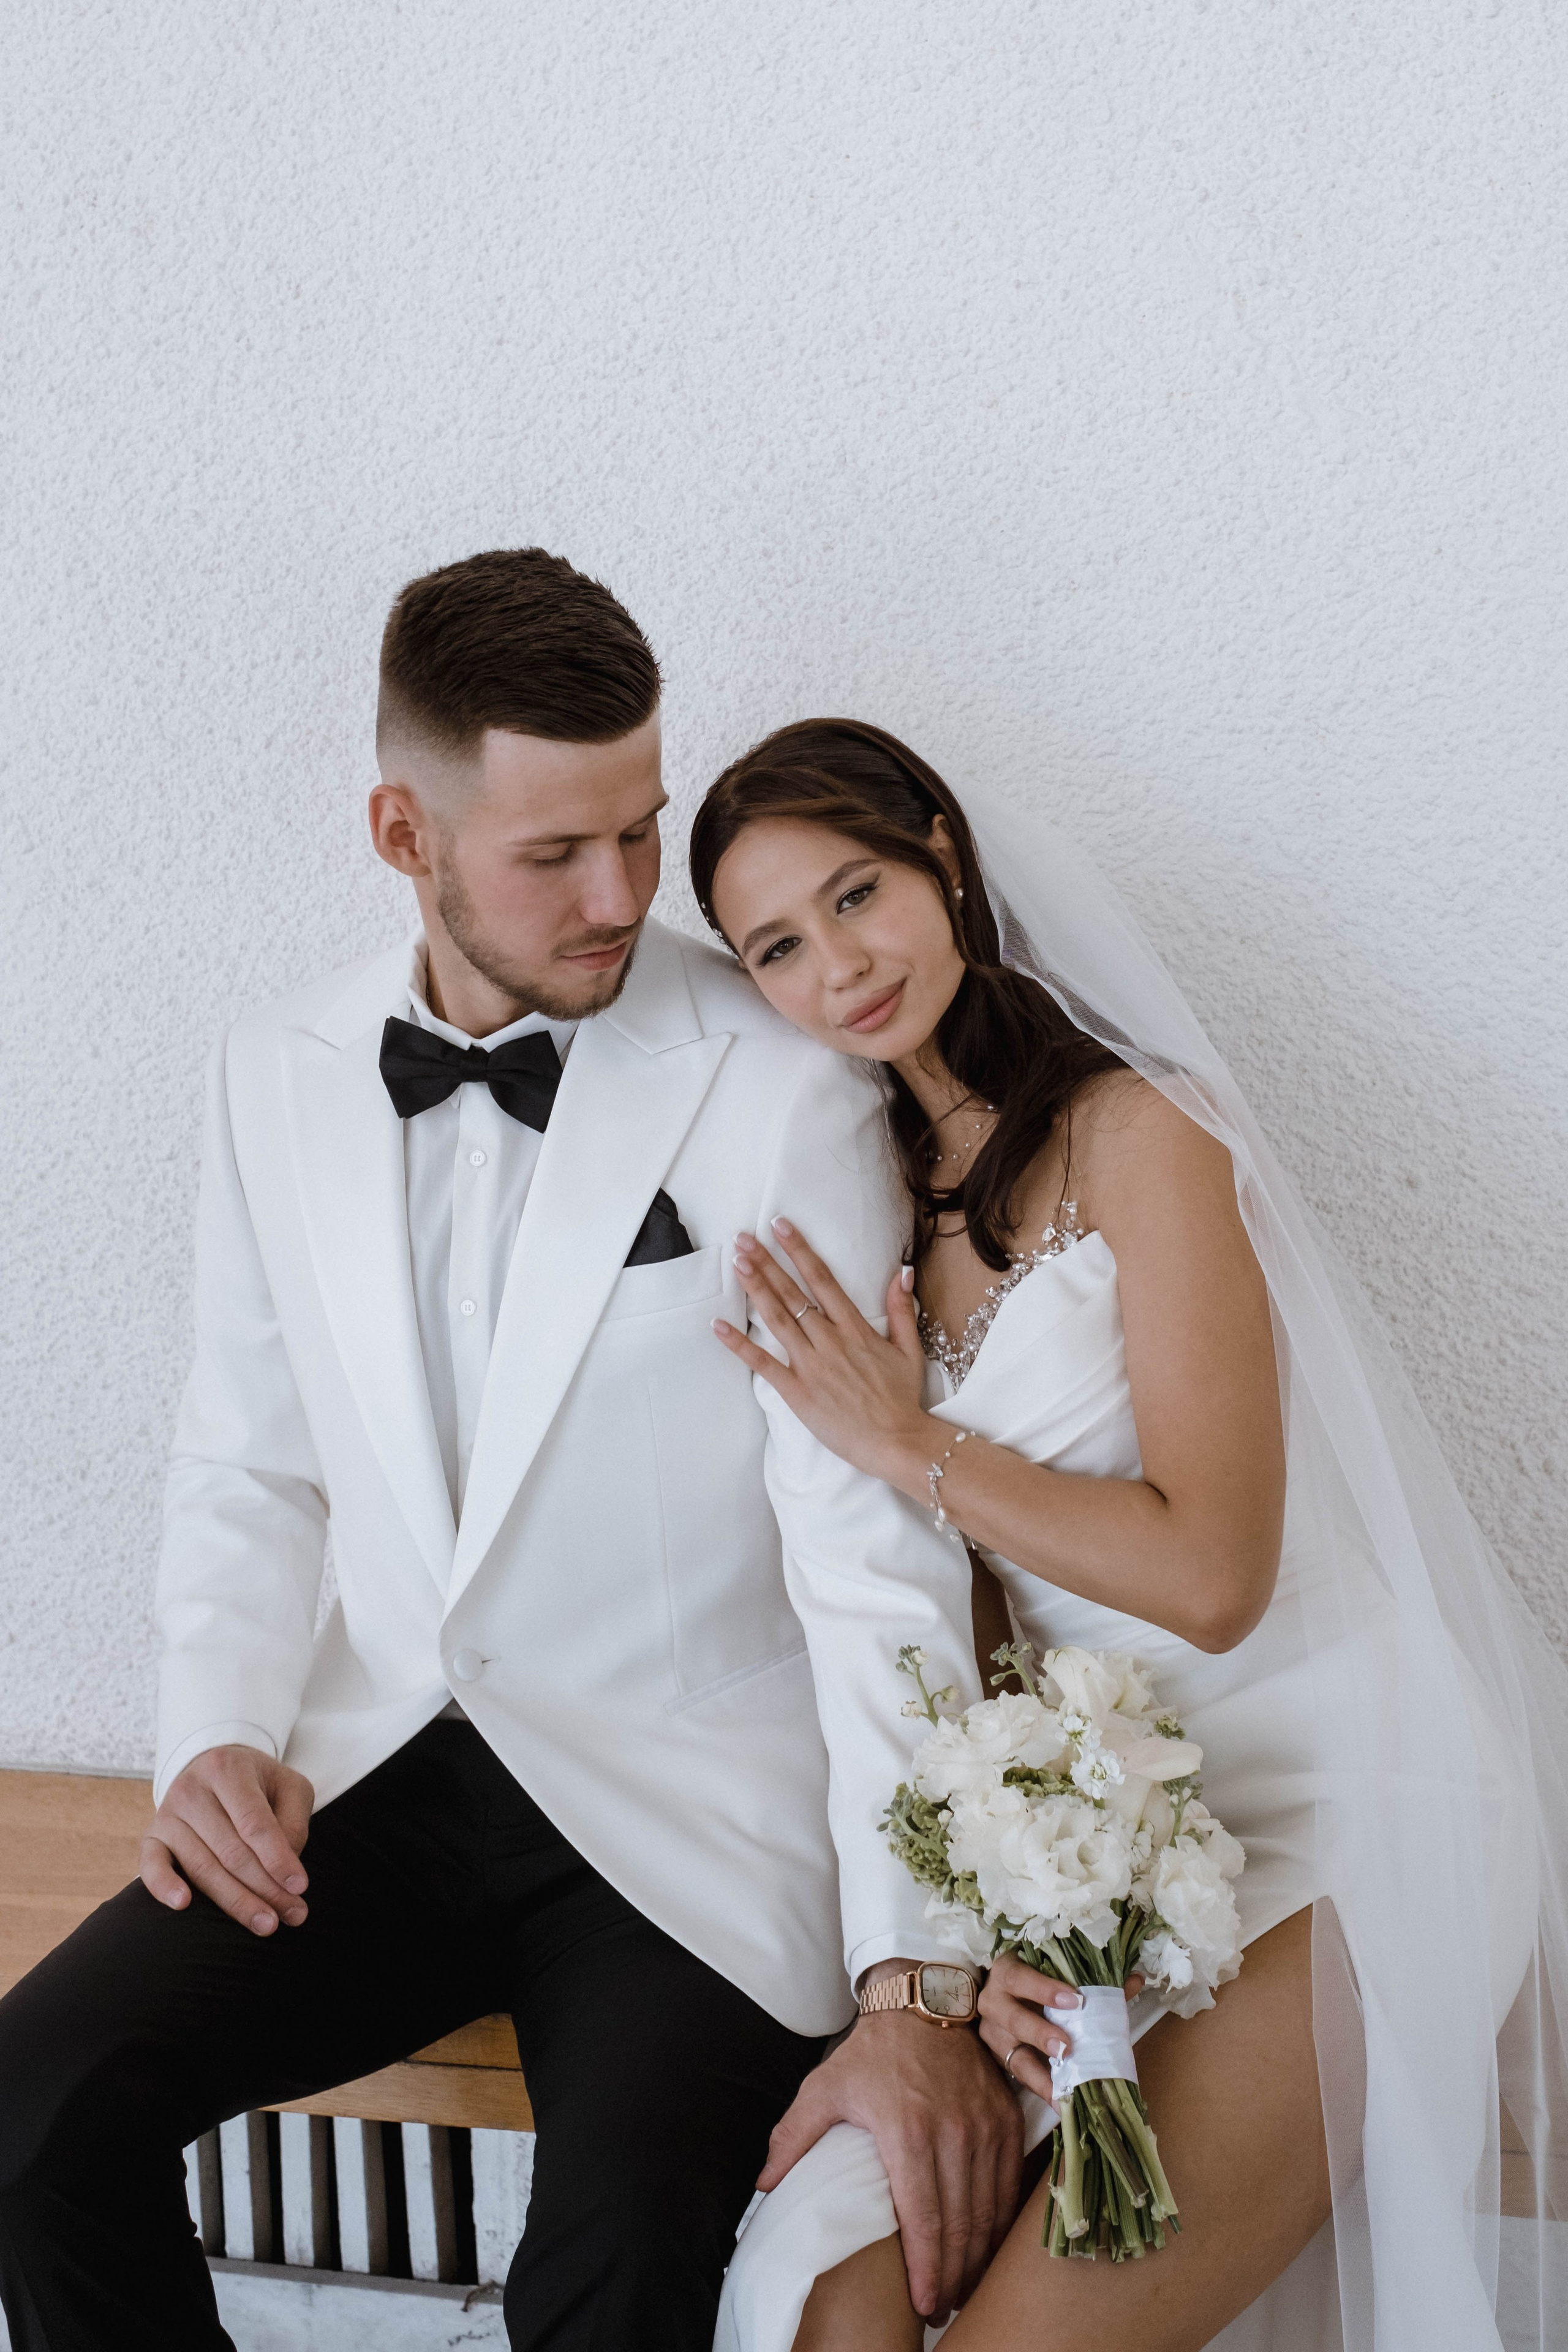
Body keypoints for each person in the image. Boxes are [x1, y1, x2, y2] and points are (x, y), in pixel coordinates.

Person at [0, 559, 1016, 2352]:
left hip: (686, 1819)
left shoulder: (778, 1076)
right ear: (405, 831)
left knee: (611, 2280)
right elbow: (248, 1456)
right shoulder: (273, 1068)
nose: (622, 896)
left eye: (639, 830)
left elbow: (868, 1545)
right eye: (557, 853)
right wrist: (220, 1729)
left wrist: (914, 1981)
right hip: (380, 1776)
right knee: (32, 2113)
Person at [688, 718, 1568, 2352]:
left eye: (858, 893)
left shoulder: (1147, 1132)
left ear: (944, 857)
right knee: (829, 2292)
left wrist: (909, 1442)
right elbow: (972, 1625)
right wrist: (1005, 1922)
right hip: (1114, 1842)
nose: (839, 966)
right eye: (778, 948)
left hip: (1352, 1802)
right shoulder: (872, 1207)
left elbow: (1214, 1576)